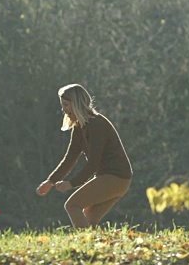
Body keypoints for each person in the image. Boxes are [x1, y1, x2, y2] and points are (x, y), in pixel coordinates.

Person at [36, 84, 133, 228]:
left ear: (77, 104)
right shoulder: (79, 128)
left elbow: (94, 163)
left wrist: (71, 183)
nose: (63, 110)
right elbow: (70, 158)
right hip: (112, 178)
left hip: (115, 178)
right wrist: (51, 181)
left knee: (72, 205)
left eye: (66, 105)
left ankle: (83, 244)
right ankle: (94, 247)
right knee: (88, 220)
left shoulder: (96, 124)